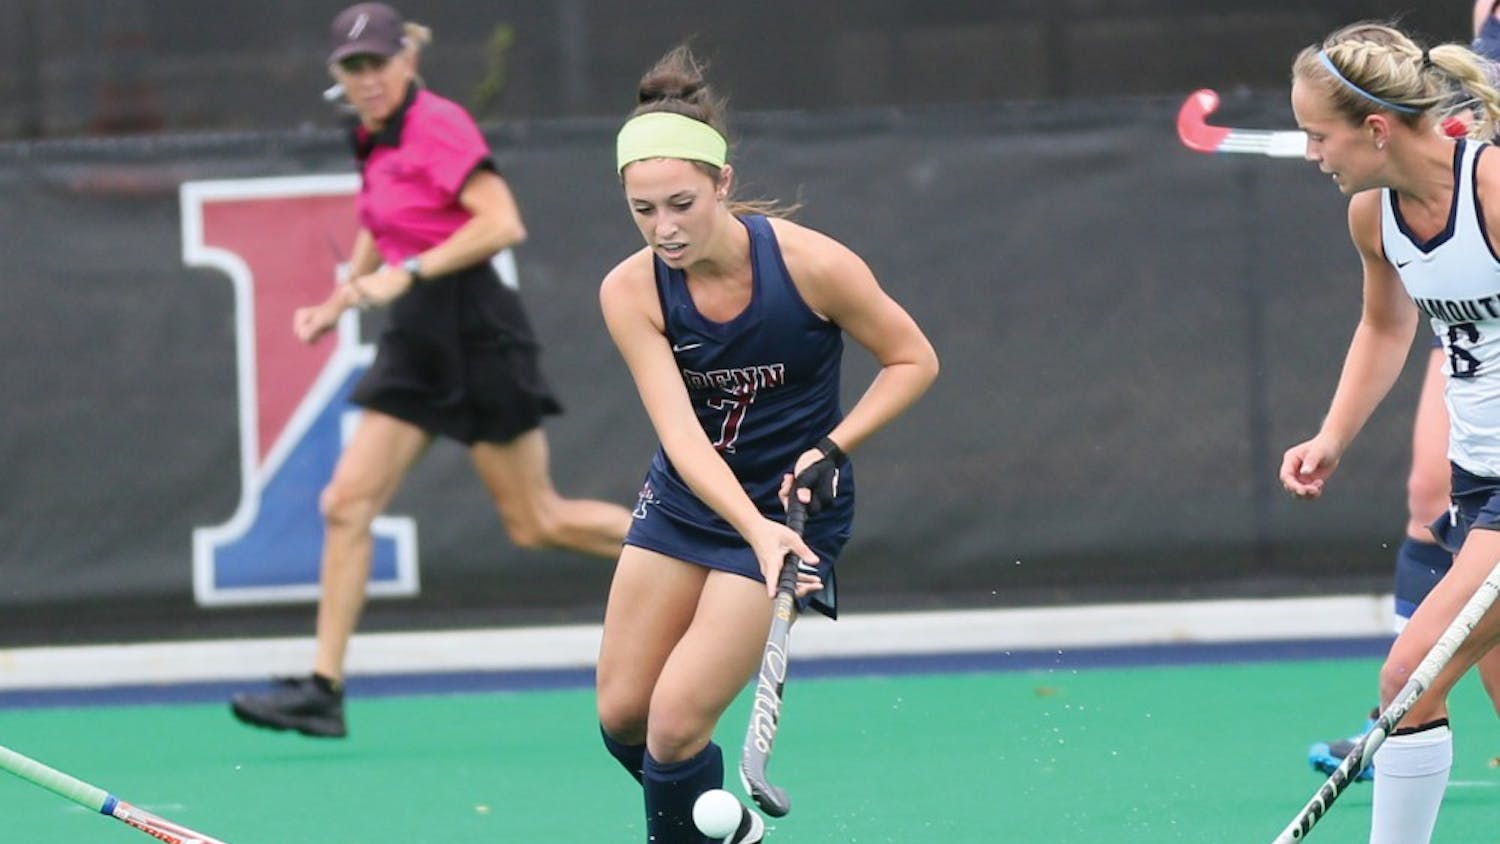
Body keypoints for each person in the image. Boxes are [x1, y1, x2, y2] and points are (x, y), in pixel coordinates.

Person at [229, 2, 633, 739]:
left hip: (476, 329)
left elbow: (501, 221)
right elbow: (378, 219)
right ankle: (324, 689)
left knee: (537, 522)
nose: (367, 78)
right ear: (338, 76)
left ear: (406, 61)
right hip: (416, 338)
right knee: (346, 504)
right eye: (352, 68)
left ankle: (716, 549)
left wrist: (405, 273)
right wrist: (342, 297)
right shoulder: (370, 135)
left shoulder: (437, 122)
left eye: (377, 63)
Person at [593, 46, 938, 844]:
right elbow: (681, 436)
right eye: (643, 211)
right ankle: (729, 836)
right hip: (696, 499)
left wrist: (832, 448)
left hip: (797, 504)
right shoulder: (631, 290)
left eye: (681, 203)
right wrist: (753, 530)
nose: (664, 229)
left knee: (675, 726)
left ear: (721, 183)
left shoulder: (813, 265)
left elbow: (914, 358)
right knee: (623, 719)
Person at [1282, 21, 1500, 844]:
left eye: (1318, 135)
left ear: (1375, 129)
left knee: (1409, 675)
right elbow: (1384, 328)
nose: (1311, 154)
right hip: (1477, 480)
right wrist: (1333, 436)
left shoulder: (1494, 196)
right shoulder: (1375, 217)